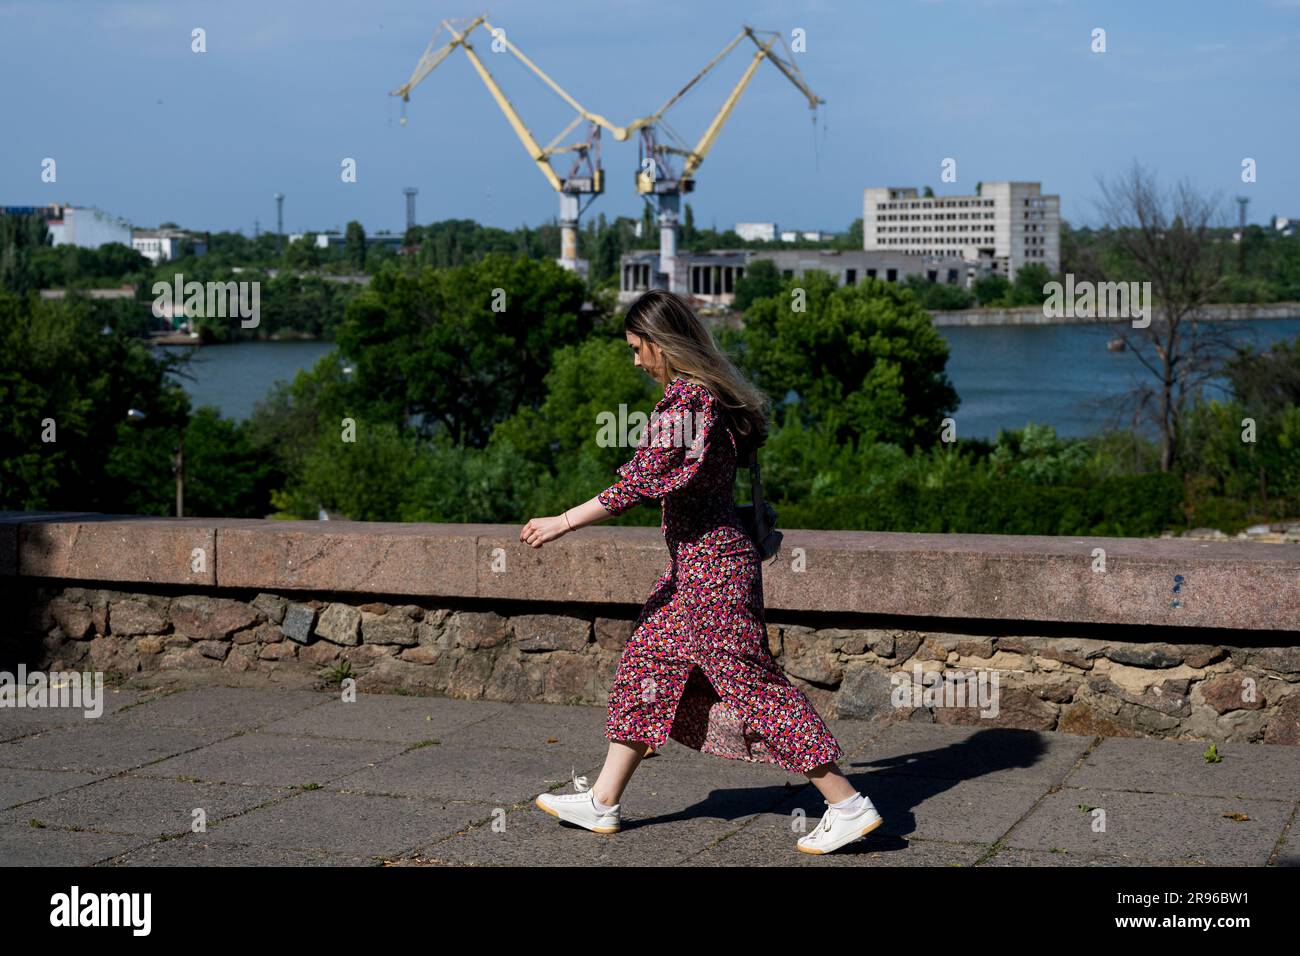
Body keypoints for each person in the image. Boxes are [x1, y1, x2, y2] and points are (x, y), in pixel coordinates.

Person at [519, 289, 882, 855]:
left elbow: (641, 480)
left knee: (752, 685)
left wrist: (562, 522)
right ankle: (603, 801)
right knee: (647, 661)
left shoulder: (689, 400)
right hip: (696, 570)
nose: (635, 361)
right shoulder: (710, 394)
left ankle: (847, 803)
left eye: (639, 348)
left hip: (713, 572)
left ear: (664, 344)